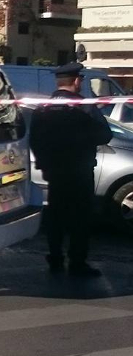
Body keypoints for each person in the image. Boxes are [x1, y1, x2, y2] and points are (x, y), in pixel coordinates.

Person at [29, 62, 112, 277]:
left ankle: (55, 257)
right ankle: (77, 261)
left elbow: (35, 140)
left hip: (55, 172)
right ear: (76, 81)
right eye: (81, 80)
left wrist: (44, 164)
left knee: (56, 216)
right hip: (80, 171)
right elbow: (105, 135)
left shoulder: (43, 108)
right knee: (80, 218)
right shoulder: (85, 106)